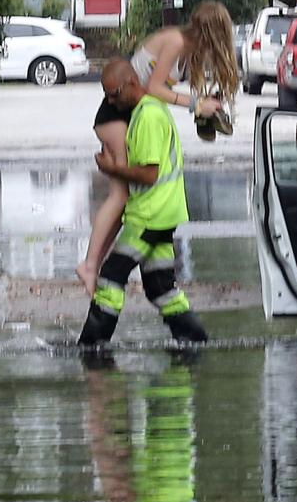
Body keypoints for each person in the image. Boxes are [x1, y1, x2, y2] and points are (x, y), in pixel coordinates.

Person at [77, 0, 239, 296]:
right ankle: (90, 265)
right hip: (115, 116)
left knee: (124, 198)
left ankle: (94, 265)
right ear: (210, 32)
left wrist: (207, 104)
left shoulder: (189, 50)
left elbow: (164, 91)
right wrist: (195, 104)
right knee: (120, 194)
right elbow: (153, 88)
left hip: (128, 116)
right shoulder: (176, 41)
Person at [78, 59, 209, 346]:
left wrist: (110, 169)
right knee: (159, 284)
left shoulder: (148, 117)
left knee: (112, 276)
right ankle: (194, 339)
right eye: (106, 95)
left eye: (114, 94)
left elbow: (149, 174)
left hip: (150, 214)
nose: (111, 101)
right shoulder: (146, 111)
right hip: (164, 212)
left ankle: (92, 345)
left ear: (132, 83)